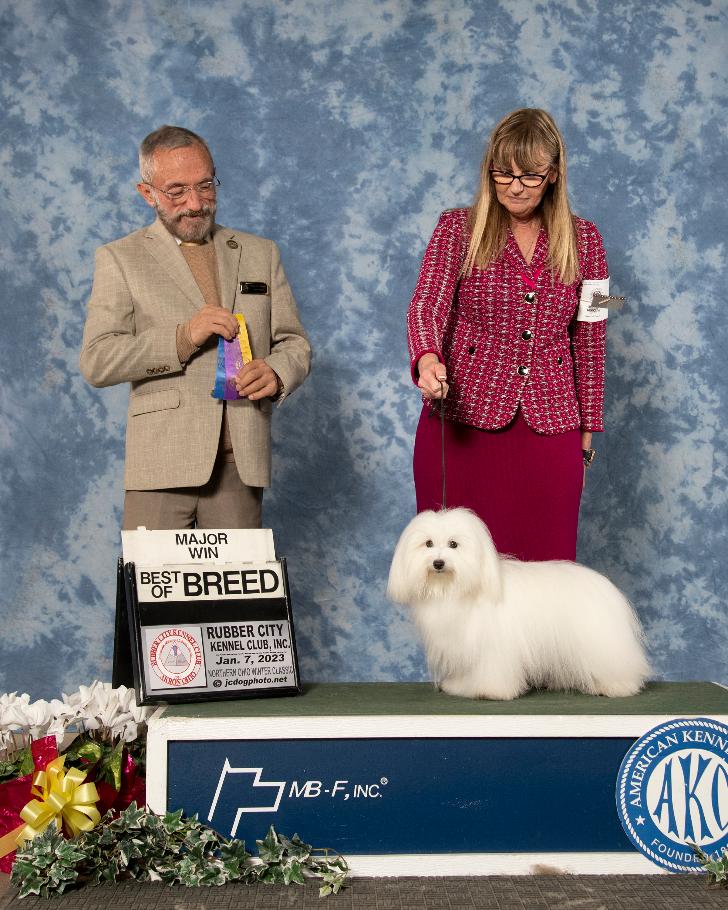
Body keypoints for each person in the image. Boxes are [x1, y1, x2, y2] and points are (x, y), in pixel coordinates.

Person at [80, 125, 311, 530]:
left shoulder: (260, 252)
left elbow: (294, 343)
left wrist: (276, 372)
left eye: (206, 185)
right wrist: (183, 338)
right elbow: (98, 360)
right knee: (154, 593)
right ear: (147, 193)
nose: (196, 203)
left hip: (242, 465)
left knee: (239, 594)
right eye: (176, 191)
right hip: (161, 463)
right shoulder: (120, 258)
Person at [406, 108, 609, 561]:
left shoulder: (589, 243)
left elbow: (593, 337)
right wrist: (426, 358)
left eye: (530, 175)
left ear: (554, 173)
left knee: (547, 577)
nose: (515, 186)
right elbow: (426, 303)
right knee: (456, 578)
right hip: (460, 426)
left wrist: (589, 429)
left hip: (552, 428)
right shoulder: (454, 229)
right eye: (504, 173)